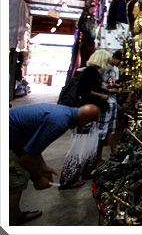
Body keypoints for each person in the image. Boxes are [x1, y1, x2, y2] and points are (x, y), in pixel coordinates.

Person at [9, 103, 101, 225]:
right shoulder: (59, 123)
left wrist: (43, 167)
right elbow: (27, 159)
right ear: (85, 122)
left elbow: (33, 147)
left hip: (13, 135)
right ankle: (13, 218)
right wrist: (38, 179)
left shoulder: (66, 112)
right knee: (18, 176)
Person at [58, 49, 112, 189]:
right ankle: (69, 179)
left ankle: (86, 171)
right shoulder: (90, 72)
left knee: (88, 143)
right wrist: (102, 96)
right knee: (80, 145)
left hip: (89, 113)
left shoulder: (92, 72)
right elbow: (85, 90)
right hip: (85, 114)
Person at [97, 50, 123, 167]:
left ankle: (113, 152)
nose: (119, 64)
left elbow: (112, 83)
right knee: (101, 131)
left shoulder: (115, 70)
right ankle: (97, 158)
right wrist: (108, 90)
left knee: (112, 128)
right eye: (119, 61)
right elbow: (98, 85)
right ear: (114, 58)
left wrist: (117, 87)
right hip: (104, 101)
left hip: (112, 101)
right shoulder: (102, 67)